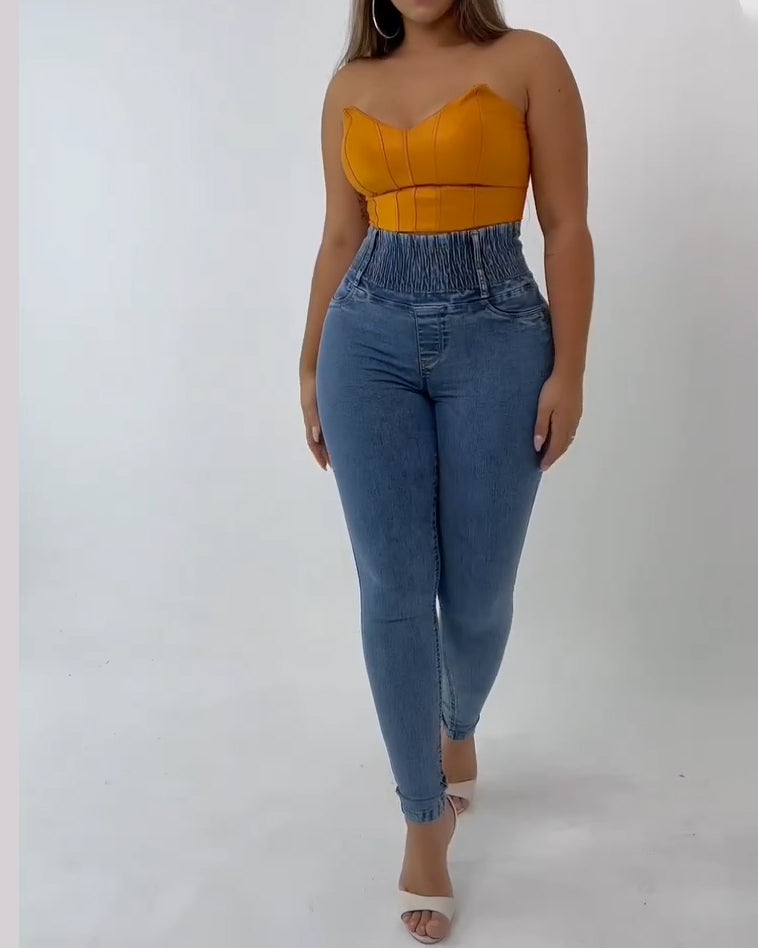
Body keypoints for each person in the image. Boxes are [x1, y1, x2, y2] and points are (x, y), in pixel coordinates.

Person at [298, 0, 593, 941]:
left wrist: (571, 371)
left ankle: (457, 723)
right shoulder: (349, 84)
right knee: (391, 588)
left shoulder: (529, 59)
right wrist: (308, 366)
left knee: (477, 594)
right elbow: (339, 236)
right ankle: (424, 820)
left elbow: (567, 225)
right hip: (365, 336)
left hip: (499, 331)